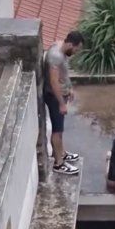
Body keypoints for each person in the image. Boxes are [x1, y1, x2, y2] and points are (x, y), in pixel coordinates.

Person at [43, 31, 84, 175]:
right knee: (57, 131)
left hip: (62, 93)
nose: (76, 52)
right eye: (76, 49)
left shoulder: (60, 47)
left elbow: (63, 73)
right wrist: (61, 103)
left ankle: (63, 153)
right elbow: (54, 82)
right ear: (70, 44)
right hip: (54, 97)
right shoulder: (55, 56)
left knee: (60, 129)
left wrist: (70, 88)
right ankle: (59, 163)